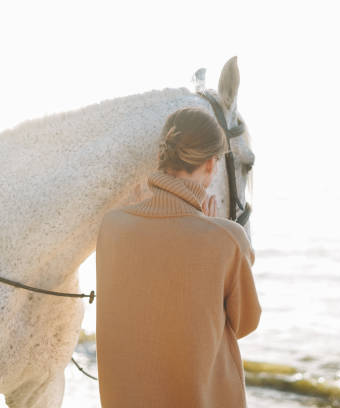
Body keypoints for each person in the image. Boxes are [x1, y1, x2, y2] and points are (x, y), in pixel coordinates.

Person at [95, 107, 261, 407]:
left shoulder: (111, 225)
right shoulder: (227, 238)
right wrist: (220, 235)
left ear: (163, 156)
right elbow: (246, 322)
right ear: (211, 164)